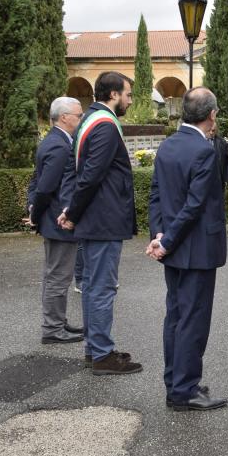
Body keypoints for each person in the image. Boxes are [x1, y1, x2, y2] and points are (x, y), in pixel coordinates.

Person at [147, 87, 228, 412]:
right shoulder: (204, 151)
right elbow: (195, 206)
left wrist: (160, 235)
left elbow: (156, 194)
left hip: (174, 248)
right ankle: (184, 390)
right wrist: (165, 241)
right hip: (195, 250)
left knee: (176, 318)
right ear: (211, 115)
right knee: (193, 320)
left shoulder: (167, 145)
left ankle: (176, 382)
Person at [58, 71, 141, 375]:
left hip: (93, 218)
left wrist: (71, 209)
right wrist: (73, 213)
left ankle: (95, 350)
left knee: (92, 287)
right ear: (114, 95)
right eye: (128, 95)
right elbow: (91, 175)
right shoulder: (106, 125)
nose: (130, 101)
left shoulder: (87, 122)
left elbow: (74, 171)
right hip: (103, 219)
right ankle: (103, 354)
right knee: (102, 287)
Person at [27, 97, 84, 345]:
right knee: (58, 278)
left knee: (57, 276)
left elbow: (36, 182)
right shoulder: (59, 146)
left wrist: (34, 210)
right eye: (78, 115)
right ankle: (52, 328)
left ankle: (58, 322)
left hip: (53, 220)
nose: (80, 119)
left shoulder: (55, 141)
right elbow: (45, 187)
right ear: (64, 117)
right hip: (57, 222)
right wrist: (35, 215)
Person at [210, 120, 228, 191]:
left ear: (216, 130)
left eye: (213, 130)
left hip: (218, 185)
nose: (211, 132)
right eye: (209, 130)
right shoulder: (200, 141)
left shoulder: (221, 142)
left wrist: (226, 179)